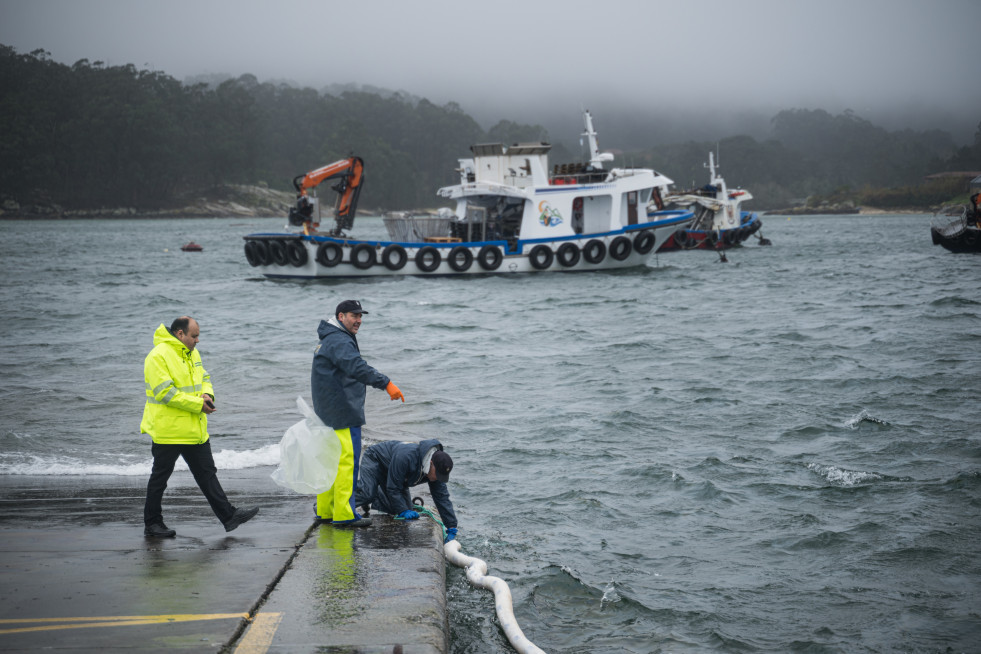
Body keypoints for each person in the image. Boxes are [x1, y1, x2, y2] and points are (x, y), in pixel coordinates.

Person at [141, 316, 259, 538]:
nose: (197, 341)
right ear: (180, 334)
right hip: (169, 431)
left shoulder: (192, 352)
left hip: (194, 429)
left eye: (198, 336)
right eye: (194, 336)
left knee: (207, 474)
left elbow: (204, 376)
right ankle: (152, 524)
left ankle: (229, 516)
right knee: (160, 478)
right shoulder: (157, 356)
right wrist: (198, 405)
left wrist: (207, 394)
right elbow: (165, 393)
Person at [311, 300, 404, 527]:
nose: (359, 320)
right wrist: (387, 384)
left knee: (329, 461)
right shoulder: (339, 340)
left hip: (328, 411)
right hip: (342, 412)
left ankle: (327, 510)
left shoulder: (330, 338)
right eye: (354, 315)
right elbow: (357, 367)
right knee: (346, 463)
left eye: (361, 316)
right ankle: (344, 514)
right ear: (341, 316)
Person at [355, 439, 459, 543]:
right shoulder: (406, 457)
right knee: (367, 494)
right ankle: (347, 502)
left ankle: (374, 490)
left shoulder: (436, 469)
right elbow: (393, 488)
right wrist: (403, 510)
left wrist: (451, 525)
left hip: (396, 475)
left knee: (400, 509)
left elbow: (442, 497)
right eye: (438, 475)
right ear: (431, 464)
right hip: (376, 458)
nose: (438, 479)